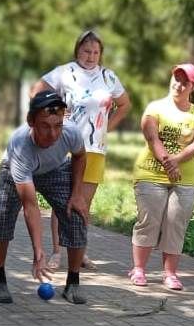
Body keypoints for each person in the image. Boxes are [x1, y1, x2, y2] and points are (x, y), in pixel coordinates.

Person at [32, 29, 130, 270]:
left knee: (83, 203)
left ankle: (80, 252)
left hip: (95, 149)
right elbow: (37, 90)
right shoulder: (65, 72)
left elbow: (125, 104)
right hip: (65, 146)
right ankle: (57, 252)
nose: (91, 55)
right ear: (78, 50)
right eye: (86, 51)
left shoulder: (108, 76)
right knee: (62, 200)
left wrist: (107, 127)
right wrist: (53, 113)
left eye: (96, 52)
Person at [0, 90, 89, 304]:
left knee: (76, 216)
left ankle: (73, 283)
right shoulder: (21, 144)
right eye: (45, 126)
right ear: (31, 122)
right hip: (15, 169)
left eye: (58, 125)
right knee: (1, 217)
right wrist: (38, 252)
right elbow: (31, 207)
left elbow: (80, 156)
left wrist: (78, 193)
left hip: (56, 169)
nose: (53, 134)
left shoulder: (71, 132)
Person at [130, 63, 194, 290]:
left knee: (176, 223)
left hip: (186, 177)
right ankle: (139, 269)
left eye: (185, 82)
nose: (179, 85)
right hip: (151, 173)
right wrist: (168, 162)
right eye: (176, 78)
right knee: (149, 221)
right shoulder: (155, 108)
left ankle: (170, 274)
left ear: (193, 86)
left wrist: (176, 161)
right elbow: (152, 137)